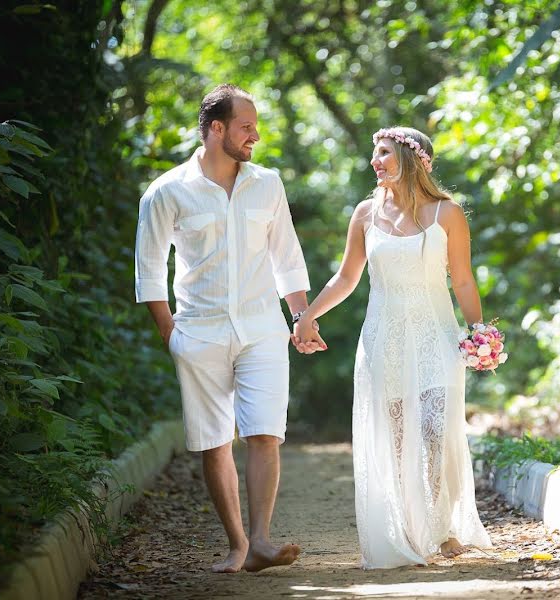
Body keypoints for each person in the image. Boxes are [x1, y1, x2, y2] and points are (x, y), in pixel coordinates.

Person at [134, 84, 324, 573]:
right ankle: (237, 544)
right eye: (246, 126)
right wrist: (170, 336)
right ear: (216, 128)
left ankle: (261, 539)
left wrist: (301, 318)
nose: (255, 135)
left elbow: (287, 256)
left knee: (265, 432)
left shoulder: (268, 183)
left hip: (263, 326)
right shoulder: (166, 191)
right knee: (215, 440)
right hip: (198, 331)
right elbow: (149, 272)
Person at [292, 126, 492, 568]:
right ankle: (406, 527)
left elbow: (461, 278)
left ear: (411, 158)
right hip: (384, 340)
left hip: (437, 337)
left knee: (437, 432)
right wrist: (308, 315)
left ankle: (440, 528)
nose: (374, 161)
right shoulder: (365, 213)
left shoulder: (447, 214)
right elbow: (347, 278)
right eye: (374, 153)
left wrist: (479, 331)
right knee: (399, 438)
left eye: (383, 153)